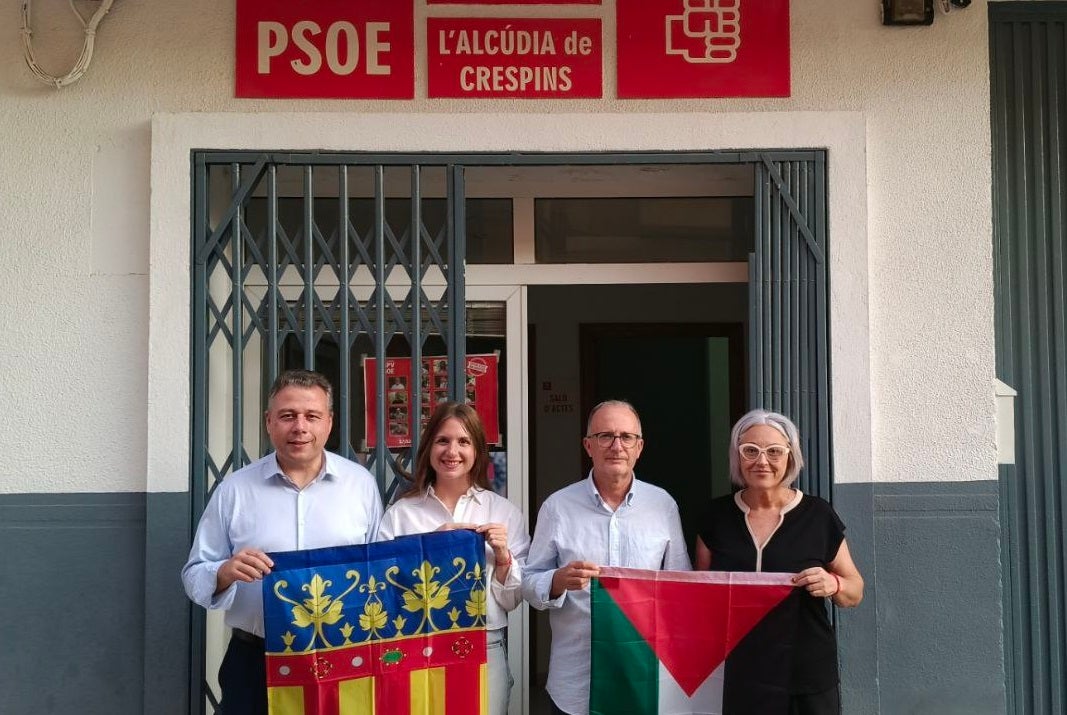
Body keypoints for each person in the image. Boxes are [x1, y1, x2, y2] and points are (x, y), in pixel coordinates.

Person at [181, 369, 383, 715]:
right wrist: (225, 572)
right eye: (288, 415)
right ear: (269, 422)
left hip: (342, 657)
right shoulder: (235, 490)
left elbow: (378, 570)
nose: (300, 427)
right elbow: (194, 575)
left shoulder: (360, 485)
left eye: (312, 416)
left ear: (329, 423)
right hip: (254, 661)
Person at [522, 400, 691, 715]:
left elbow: (679, 587)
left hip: (643, 674)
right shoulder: (557, 507)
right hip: (577, 680)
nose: (617, 446)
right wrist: (557, 581)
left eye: (626, 437)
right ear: (588, 445)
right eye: (605, 436)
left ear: (639, 447)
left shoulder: (662, 505)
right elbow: (529, 583)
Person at [695, 409, 863, 715]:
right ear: (738, 457)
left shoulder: (818, 515)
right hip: (737, 673)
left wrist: (833, 583)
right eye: (750, 451)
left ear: (790, 457)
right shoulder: (714, 518)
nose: (762, 461)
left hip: (805, 675)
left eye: (774, 451)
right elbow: (700, 593)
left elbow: (855, 591)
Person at [376, 402, 530, 715]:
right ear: (429, 446)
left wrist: (503, 558)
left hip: (485, 644)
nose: (452, 451)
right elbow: (382, 590)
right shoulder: (401, 514)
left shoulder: (503, 512)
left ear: (477, 450)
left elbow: (512, 599)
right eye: (443, 440)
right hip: (415, 644)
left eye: (464, 442)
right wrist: (433, 546)